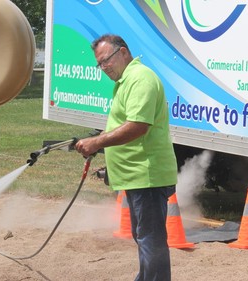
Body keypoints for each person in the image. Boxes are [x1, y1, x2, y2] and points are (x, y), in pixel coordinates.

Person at [75, 34, 178, 281]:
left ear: (123, 52)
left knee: (150, 240)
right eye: (99, 64)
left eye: (106, 60)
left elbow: (138, 126)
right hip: (137, 177)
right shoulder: (126, 81)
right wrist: (100, 139)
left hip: (147, 176)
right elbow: (125, 122)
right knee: (144, 238)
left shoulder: (140, 79)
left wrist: (97, 142)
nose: (103, 68)